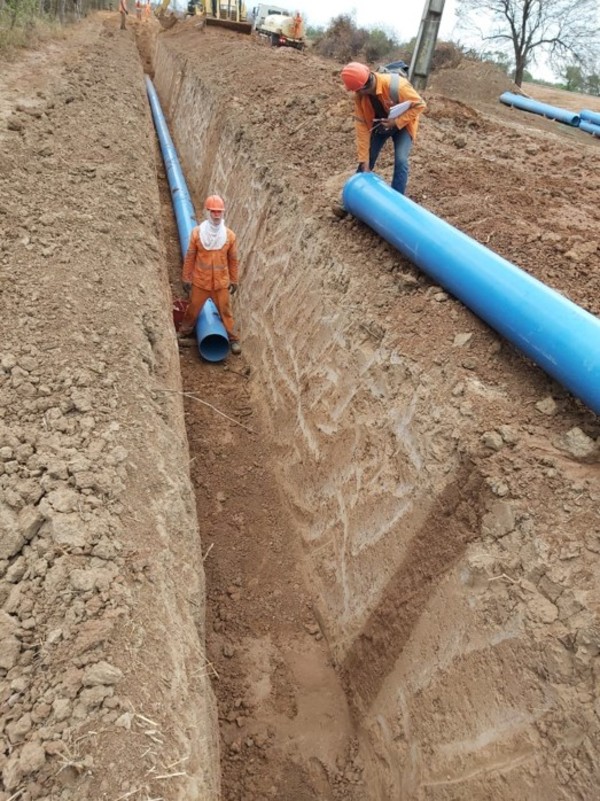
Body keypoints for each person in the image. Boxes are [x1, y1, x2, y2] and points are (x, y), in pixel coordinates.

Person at [341, 61, 426, 196]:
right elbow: (362, 127)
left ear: (361, 87)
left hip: (403, 125)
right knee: (367, 159)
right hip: (381, 124)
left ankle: (397, 201)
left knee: (401, 160)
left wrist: (396, 122)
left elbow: (420, 105)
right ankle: (354, 196)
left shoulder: (398, 86)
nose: (354, 93)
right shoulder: (360, 97)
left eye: (355, 90)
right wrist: (364, 160)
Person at [179, 195, 242, 355]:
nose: (216, 215)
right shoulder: (197, 234)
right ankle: (184, 331)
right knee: (193, 309)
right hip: (201, 282)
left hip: (221, 284)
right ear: (208, 212)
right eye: (213, 212)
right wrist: (186, 278)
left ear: (223, 213)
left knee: (226, 311)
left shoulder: (229, 236)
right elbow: (190, 257)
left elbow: (233, 260)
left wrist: (234, 280)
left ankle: (233, 339)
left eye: (219, 212)